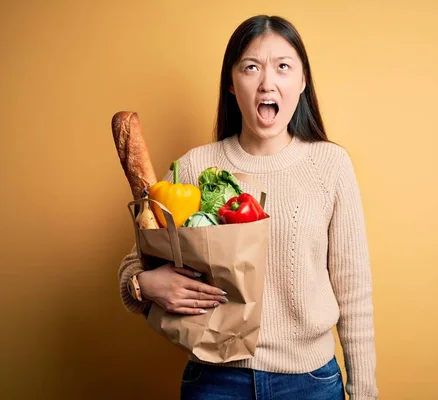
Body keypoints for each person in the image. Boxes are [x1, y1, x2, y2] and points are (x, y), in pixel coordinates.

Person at [118, 14, 378, 400]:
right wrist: (144, 285)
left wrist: (364, 392)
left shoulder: (331, 165)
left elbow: (353, 291)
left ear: (303, 81)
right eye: (251, 67)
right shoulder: (192, 167)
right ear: (230, 82)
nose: (266, 83)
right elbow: (134, 264)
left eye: (283, 67)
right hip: (214, 382)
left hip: (310, 383)